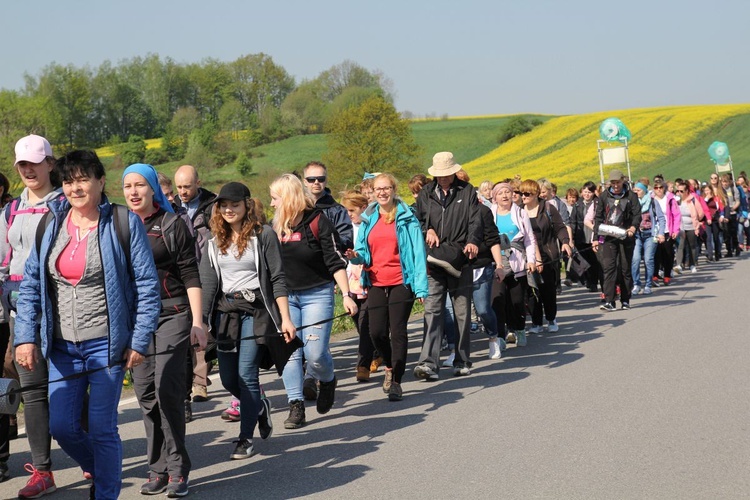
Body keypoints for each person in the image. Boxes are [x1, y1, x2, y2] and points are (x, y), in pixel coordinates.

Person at [15, 150, 160, 500]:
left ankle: (105, 492)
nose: (75, 188)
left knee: (102, 428)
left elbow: (146, 284)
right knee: (62, 427)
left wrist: (139, 342)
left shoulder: (123, 222)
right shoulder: (51, 224)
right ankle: (104, 466)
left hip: (106, 345)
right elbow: (32, 283)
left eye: (82, 179)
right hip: (62, 346)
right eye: (68, 181)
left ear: (99, 181)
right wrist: (25, 338)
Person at [122, 163, 207, 496]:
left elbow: (191, 275)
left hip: (173, 314)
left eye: (140, 185)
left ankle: (177, 469)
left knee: (166, 390)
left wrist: (198, 322)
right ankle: (156, 467)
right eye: (127, 185)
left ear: (153, 188)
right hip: (136, 321)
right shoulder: (118, 225)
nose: (133, 192)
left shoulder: (173, 224)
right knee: (144, 394)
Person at [200, 181, 297, 459]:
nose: (229, 209)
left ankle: (245, 439)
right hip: (225, 314)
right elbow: (207, 285)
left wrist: (286, 319)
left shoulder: (263, 235)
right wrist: (203, 323)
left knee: (246, 375)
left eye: (235, 204)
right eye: (224, 205)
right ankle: (259, 406)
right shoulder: (213, 240)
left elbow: (278, 278)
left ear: (247, 205)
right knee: (229, 380)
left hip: (257, 312)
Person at [269, 174, 357, 429]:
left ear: (287, 198)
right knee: (291, 353)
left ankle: (327, 380)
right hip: (286, 298)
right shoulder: (273, 227)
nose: (272, 204)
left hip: (317, 294)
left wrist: (348, 294)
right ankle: (295, 405)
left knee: (315, 353)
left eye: (275, 198)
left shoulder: (318, 221)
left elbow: (335, 261)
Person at [0, 135, 62, 496]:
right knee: (34, 392)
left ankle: (88, 456)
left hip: (63, 308)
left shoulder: (67, 205)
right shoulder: (9, 212)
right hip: (21, 312)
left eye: (35, 162)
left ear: (50, 163)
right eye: (22, 164)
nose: (28, 170)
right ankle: (42, 471)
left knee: (71, 388)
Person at [346, 173, 428, 400]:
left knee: (398, 331)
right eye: (378, 188)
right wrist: (354, 256)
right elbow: (362, 252)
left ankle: (396, 380)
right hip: (375, 281)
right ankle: (390, 364)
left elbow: (418, 253)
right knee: (377, 332)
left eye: (386, 188)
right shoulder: (369, 218)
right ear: (372, 191)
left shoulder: (407, 217)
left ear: (393, 189)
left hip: (402, 281)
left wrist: (421, 287)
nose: (382, 192)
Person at [413, 152, 482, 379]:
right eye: (438, 175)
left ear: (454, 172)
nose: (442, 179)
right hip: (433, 260)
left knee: (462, 312)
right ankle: (428, 363)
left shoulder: (467, 191)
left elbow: (475, 220)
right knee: (432, 311)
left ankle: (462, 360)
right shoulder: (426, 193)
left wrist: (472, 241)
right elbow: (418, 220)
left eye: (446, 175)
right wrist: (427, 230)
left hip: (460, 259)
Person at [173, 166, 215, 410]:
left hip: (206, 271)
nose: (183, 192)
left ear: (198, 182)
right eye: (179, 187)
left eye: (187, 186)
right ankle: (189, 385)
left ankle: (200, 381)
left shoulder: (213, 205)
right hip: (182, 274)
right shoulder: (172, 207)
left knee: (201, 323)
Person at [490, 182, 538, 349]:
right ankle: (501, 336)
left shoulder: (520, 213)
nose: (504, 195)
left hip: (517, 262)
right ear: (494, 197)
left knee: (516, 301)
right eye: (500, 193)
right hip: (497, 264)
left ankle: (519, 329)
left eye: (507, 192)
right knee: (497, 300)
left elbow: (529, 239)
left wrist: (531, 260)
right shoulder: (490, 214)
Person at [520, 180, 571, 332]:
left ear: (536, 194)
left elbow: (560, 227)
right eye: (522, 193)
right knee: (531, 290)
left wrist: (565, 242)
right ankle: (536, 322)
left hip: (547, 254)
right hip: (527, 255)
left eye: (527, 194)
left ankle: (551, 318)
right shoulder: (519, 211)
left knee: (547, 289)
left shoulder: (548, 208)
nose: (523, 196)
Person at [593, 169, 641, 311]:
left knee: (625, 269)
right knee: (609, 268)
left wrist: (633, 228)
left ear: (623, 181)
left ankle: (625, 299)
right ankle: (610, 300)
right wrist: (596, 238)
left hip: (626, 236)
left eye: (618, 182)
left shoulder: (631, 196)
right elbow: (598, 218)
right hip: (608, 237)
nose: (615, 185)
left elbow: (636, 215)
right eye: (613, 183)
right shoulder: (603, 196)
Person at [340, 191, 375, 382]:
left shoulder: (371, 226)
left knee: (366, 321)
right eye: (346, 211)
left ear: (363, 208)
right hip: (352, 281)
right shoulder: (346, 229)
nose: (349, 215)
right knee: (359, 323)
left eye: (351, 210)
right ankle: (377, 352)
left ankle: (362, 365)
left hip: (370, 279)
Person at [302, 161, 353, 251]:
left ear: (326, 181)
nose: (316, 182)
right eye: (311, 179)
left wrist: (324, 241)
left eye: (321, 179)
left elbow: (347, 240)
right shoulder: (298, 208)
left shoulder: (338, 210)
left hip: (329, 261)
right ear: (305, 182)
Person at [630, 182, 666, 296]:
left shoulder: (652, 202)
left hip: (650, 234)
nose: (636, 192)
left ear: (644, 190)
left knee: (648, 259)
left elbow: (661, 218)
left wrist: (661, 233)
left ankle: (648, 284)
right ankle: (636, 284)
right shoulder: (631, 203)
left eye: (638, 190)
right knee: (635, 259)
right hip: (636, 235)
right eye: (634, 190)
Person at [652, 179, 681, 287]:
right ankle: (654, 275)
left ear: (664, 188)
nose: (658, 190)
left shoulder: (670, 199)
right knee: (655, 254)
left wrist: (675, 230)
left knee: (667, 254)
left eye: (660, 187)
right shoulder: (651, 200)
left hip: (668, 230)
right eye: (656, 188)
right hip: (655, 231)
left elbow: (676, 215)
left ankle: (667, 275)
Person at [673, 180, 703, 274]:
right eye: (678, 191)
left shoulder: (693, 200)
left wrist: (696, 222)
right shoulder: (676, 201)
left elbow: (700, 213)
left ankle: (692, 264)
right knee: (680, 245)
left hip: (691, 226)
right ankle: (678, 265)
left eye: (681, 191)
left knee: (692, 246)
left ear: (686, 191)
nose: (679, 193)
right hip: (680, 227)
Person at [720, 174, 740, 257]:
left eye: (726, 182)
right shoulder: (720, 190)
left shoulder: (733, 189)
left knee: (733, 232)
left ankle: (736, 247)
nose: (725, 184)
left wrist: (733, 208)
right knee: (726, 233)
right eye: (723, 182)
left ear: (729, 182)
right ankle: (729, 250)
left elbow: (738, 201)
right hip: (724, 213)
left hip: (732, 213)